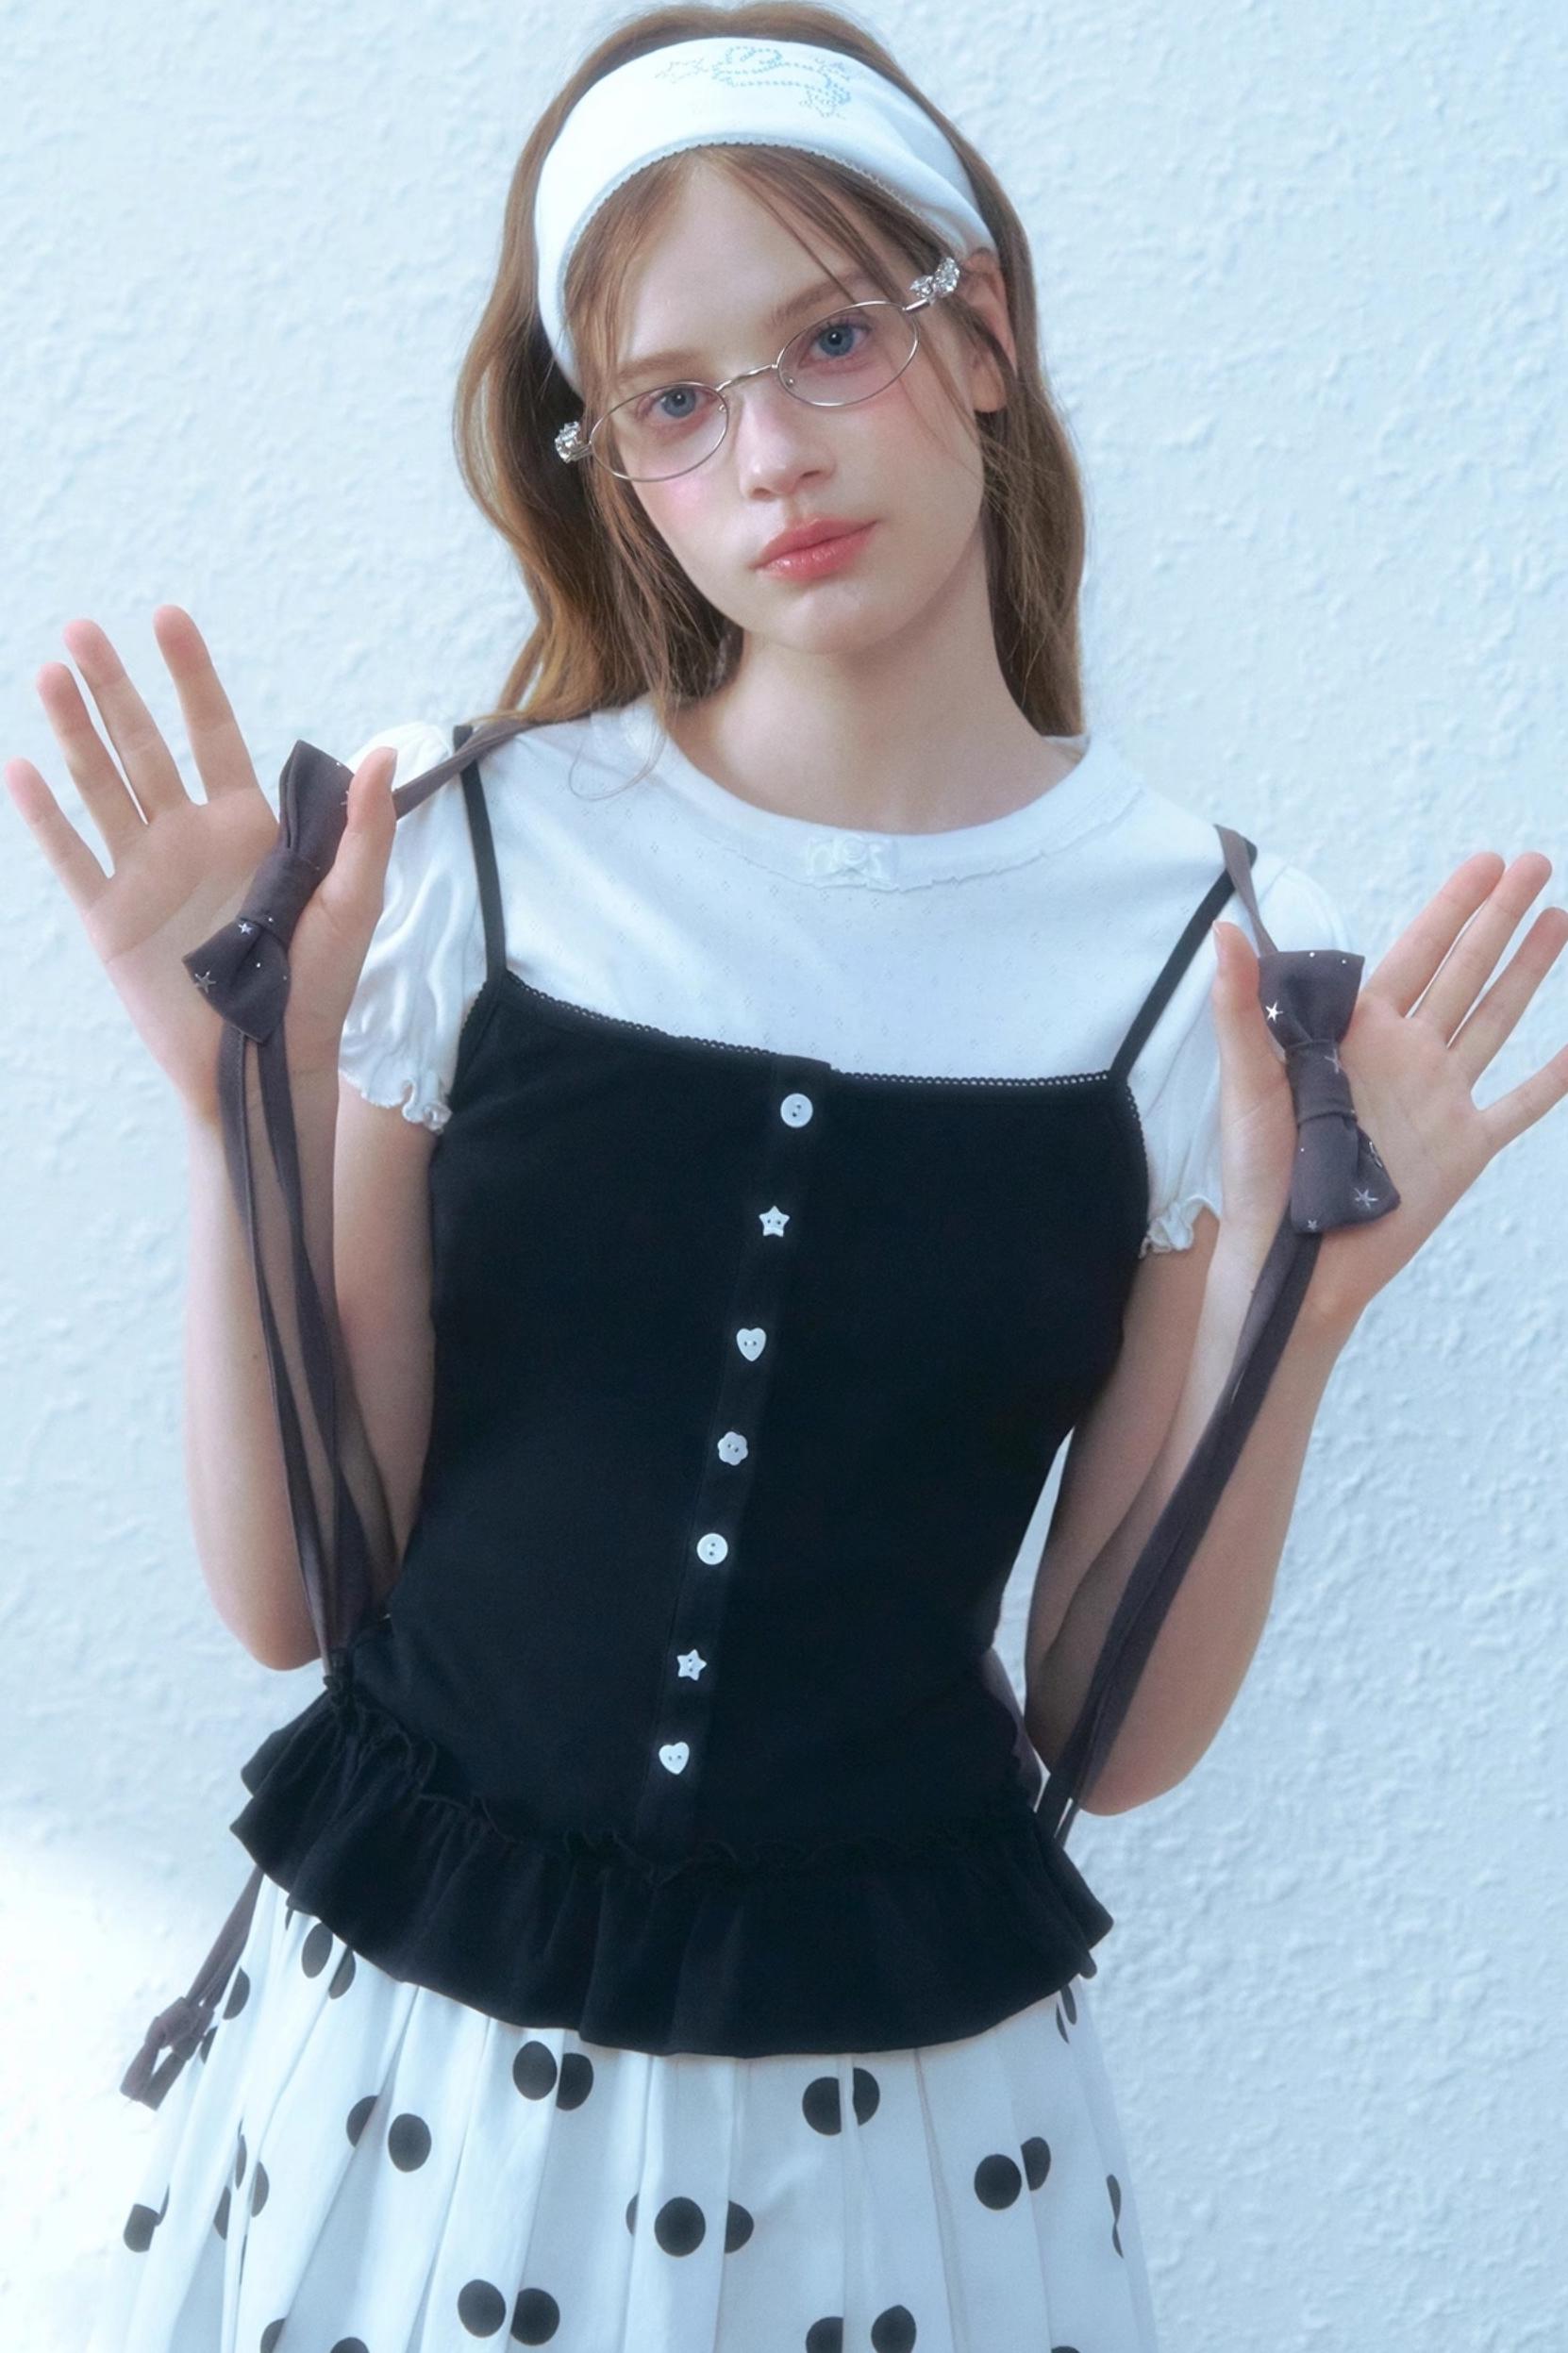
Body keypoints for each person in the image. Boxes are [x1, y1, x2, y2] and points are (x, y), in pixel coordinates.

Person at [9, 10, 1562, 2350]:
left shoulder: (1206, 957)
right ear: (614, 465)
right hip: (403, 2062)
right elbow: (300, 1591)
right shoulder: (464, 853)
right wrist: (254, 1082)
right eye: (671, 398)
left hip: (899, 2131)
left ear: (982, 333)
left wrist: (1303, 1302)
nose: (770, 452)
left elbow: (1108, 1733)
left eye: (834, 337)